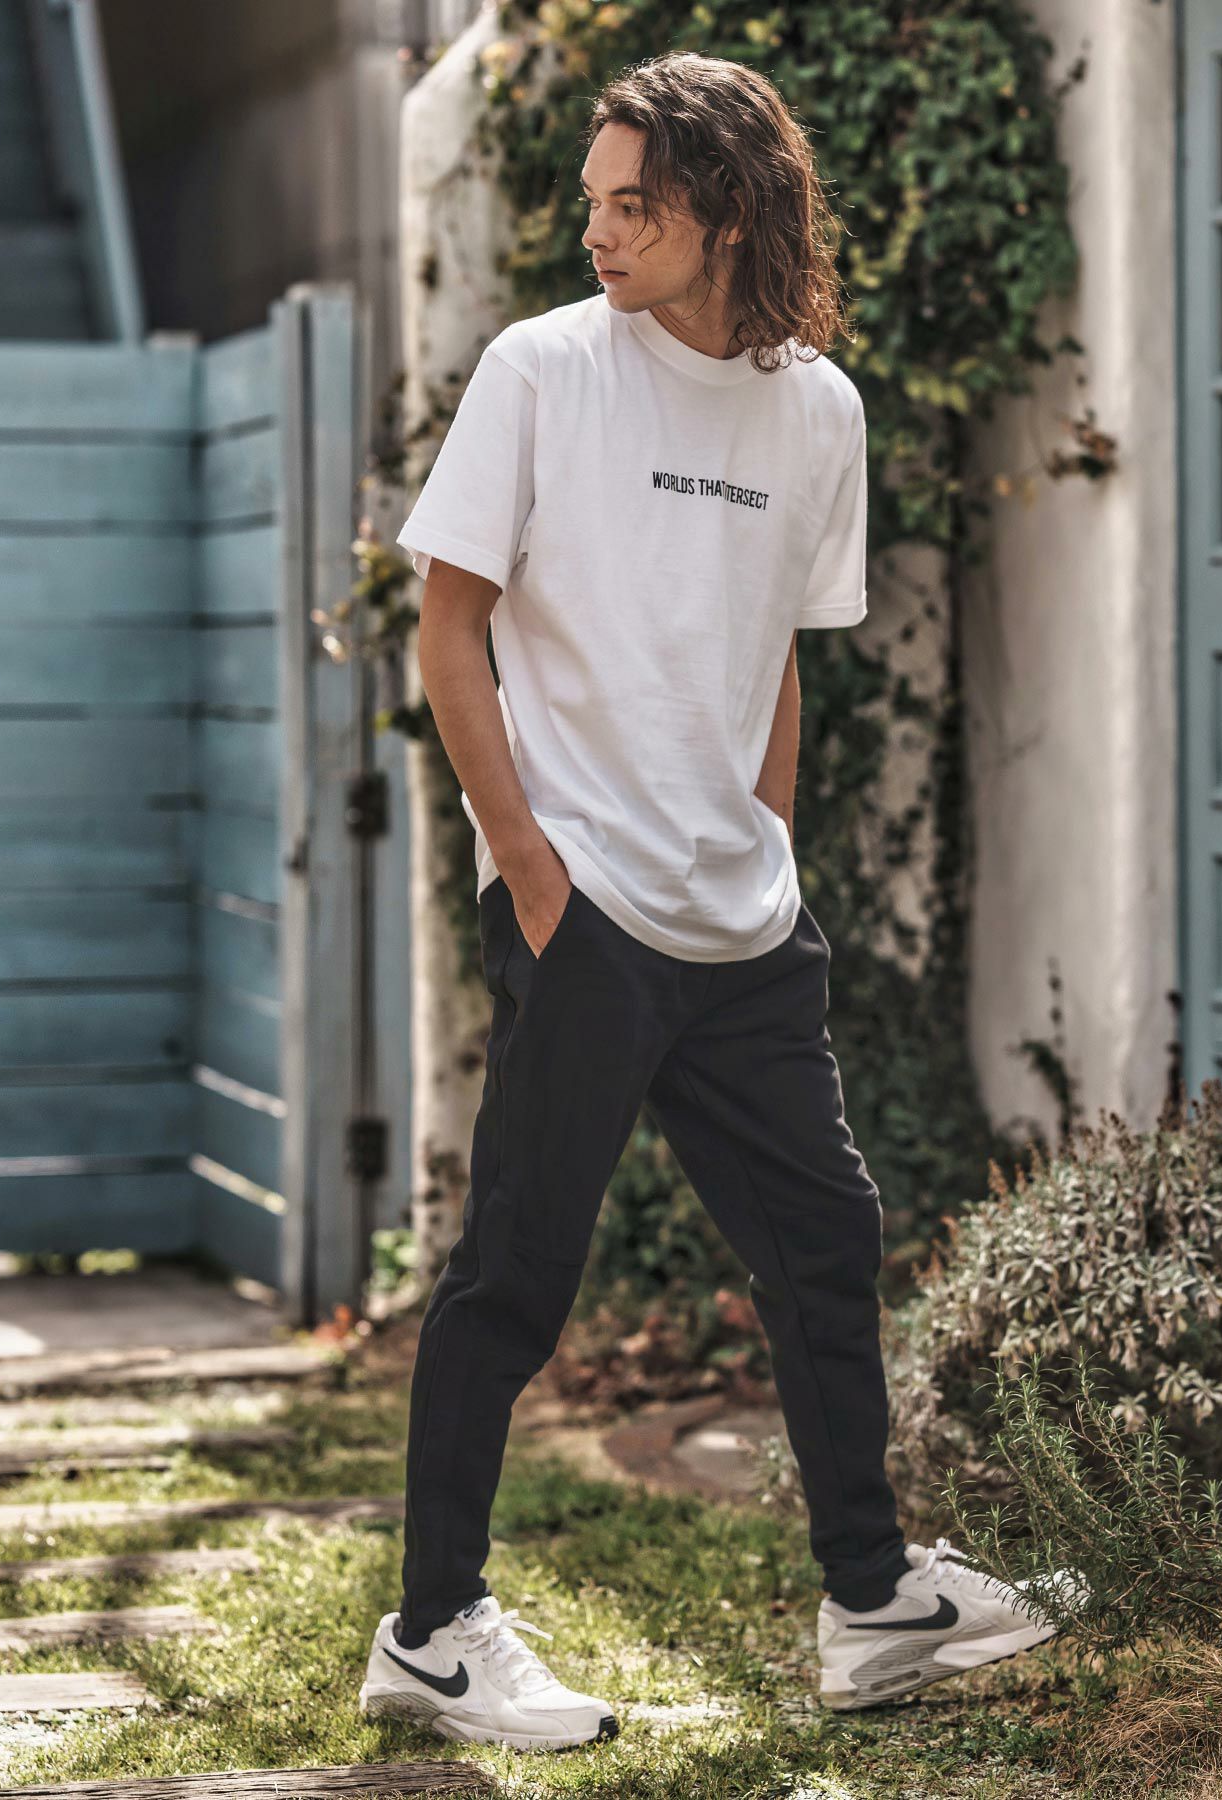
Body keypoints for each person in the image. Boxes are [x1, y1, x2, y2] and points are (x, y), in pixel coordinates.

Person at [358, 50, 1056, 1754]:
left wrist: (766, 837)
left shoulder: (819, 410)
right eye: (592, 203)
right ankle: (433, 1632)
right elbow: (449, 631)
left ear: (729, 210)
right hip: (584, 904)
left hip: (742, 922)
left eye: (634, 205)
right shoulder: (541, 372)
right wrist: (532, 872)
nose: (597, 232)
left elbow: (779, 653)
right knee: (520, 1272)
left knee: (826, 1240)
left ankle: (871, 1602)